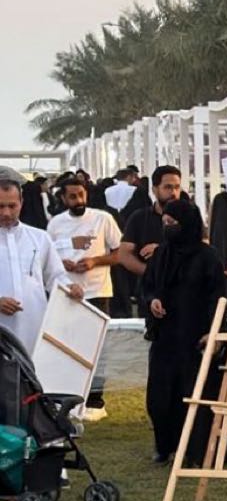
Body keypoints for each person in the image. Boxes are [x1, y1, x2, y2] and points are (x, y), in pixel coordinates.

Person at [142, 199, 224, 465]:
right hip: (166, 337)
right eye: (164, 223)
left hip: (194, 337)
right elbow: (147, 286)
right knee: (161, 396)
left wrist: (213, 332)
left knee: (193, 393)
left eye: (173, 223)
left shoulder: (208, 257)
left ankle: (194, 448)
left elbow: (217, 297)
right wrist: (152, 301)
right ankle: (165, 445)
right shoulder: (161, 255)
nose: (167, 228)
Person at [47, 177, 122, 419]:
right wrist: (61, 263)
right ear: (62, 198)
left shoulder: (103, 218)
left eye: (81, 194)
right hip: (67, 293)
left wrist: (94, 261)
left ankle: (96, 401)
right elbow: (48, 257)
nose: (78, 200)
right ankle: (69, 396)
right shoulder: (55, 224)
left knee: (98, 348)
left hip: (97, 291)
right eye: (72, 196)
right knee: (67, 346)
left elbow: (119, 253)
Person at [0, 177, 84, 351]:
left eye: (12, 206)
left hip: (34, 324)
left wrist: (70, 287)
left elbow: (55, 276)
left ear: (21, 203)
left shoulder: (39, 238)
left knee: (33, 364)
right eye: (0, 206)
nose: (6, 213)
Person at [119, 166, 182, 281]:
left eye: (177, 187)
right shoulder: (139, 218)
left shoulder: (190, 217)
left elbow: (202, 249)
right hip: (149, 286)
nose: (173, 193)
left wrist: (162, 251)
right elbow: (124, 254)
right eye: (167, 187)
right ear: (154, 190)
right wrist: (149, 272)